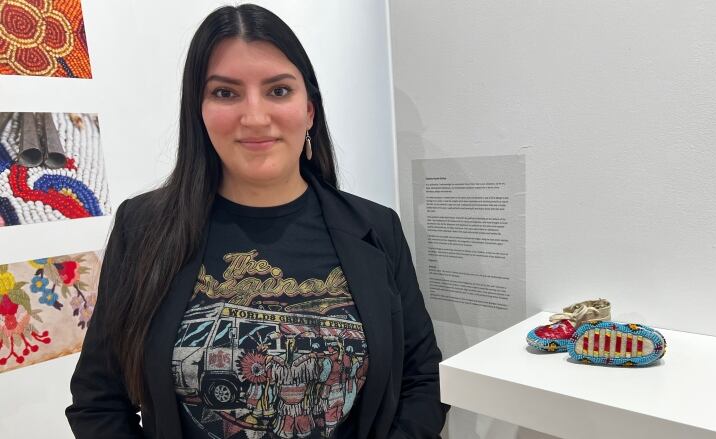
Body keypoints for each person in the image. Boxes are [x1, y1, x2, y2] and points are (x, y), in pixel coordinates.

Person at [65, 4, 448, 439]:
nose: (254, 116)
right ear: (199, 111)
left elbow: (423, 379)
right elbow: (99, 402)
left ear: (309, 110)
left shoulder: (377, 229)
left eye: (279, 91)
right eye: (226, 93)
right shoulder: (144, 227)